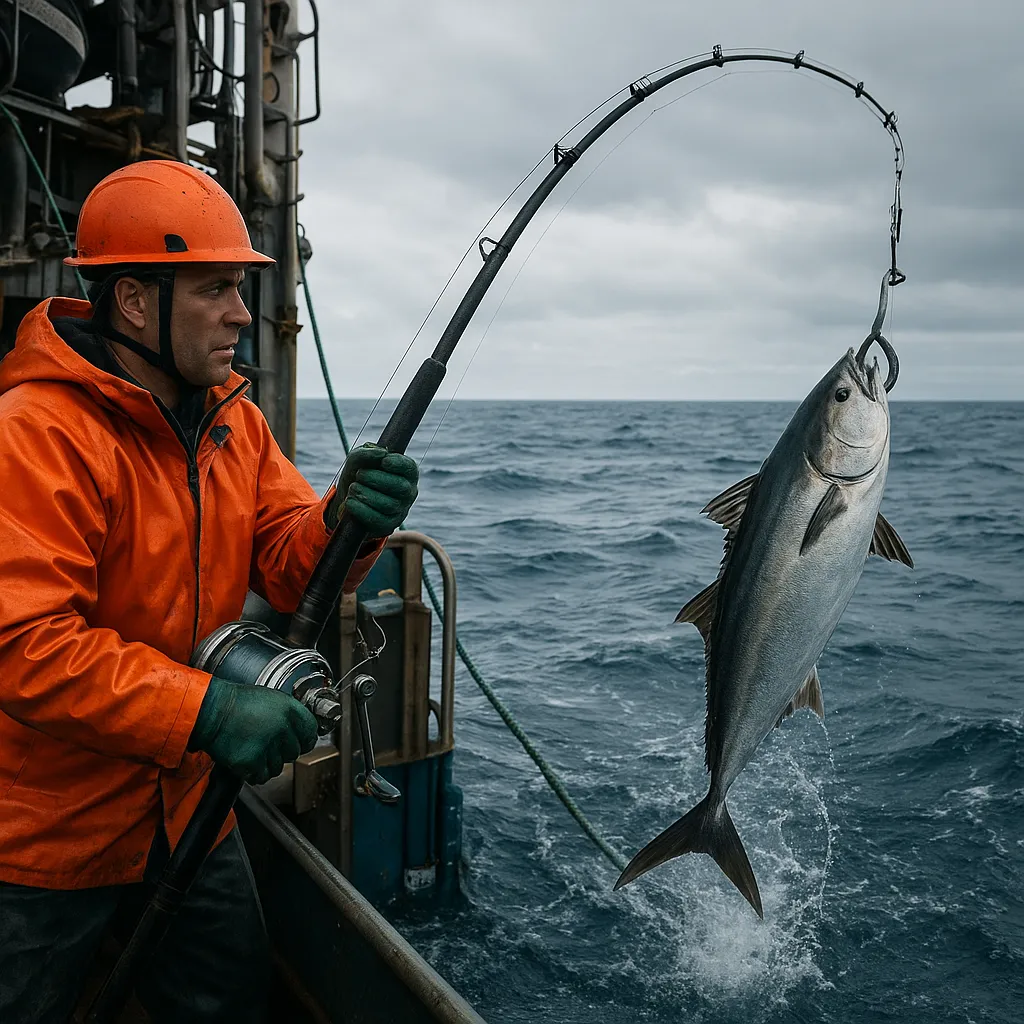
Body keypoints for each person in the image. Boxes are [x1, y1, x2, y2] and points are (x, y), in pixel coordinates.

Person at [0, 161, 419, 1023]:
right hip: (45, 837)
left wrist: (348, 522)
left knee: (228, 1002)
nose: (242, 312)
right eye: (216, 288)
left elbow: (288, 566)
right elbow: (25, 645)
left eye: (241, 287)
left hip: (191, 802)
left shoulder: (234, 417)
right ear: (135, 303)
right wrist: (207, 714)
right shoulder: (36, 434)